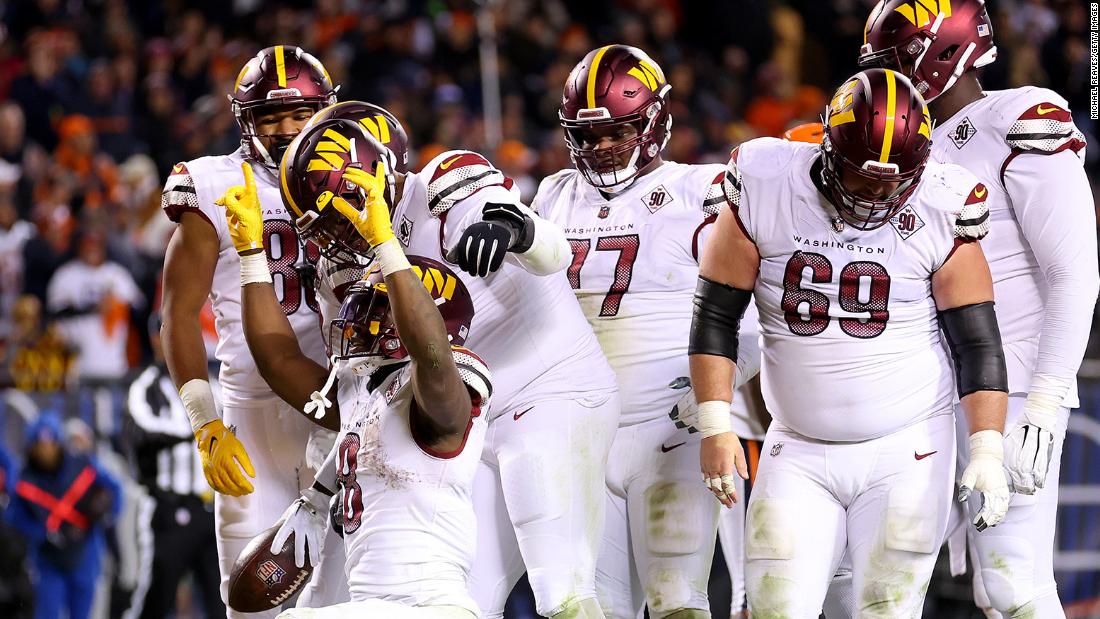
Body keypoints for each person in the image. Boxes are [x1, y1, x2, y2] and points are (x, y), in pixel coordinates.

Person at [688, 68, 1012, 617]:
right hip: (797, 445)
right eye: (864, 179)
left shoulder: (942, 201)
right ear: (828, 148)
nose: (878, 195)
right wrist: (715, 423)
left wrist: (986, 448)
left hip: (907, 448)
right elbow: (717, 314)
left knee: (884, 610)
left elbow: (977, 341)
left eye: (894, 181)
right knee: (774, 610)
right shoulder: (767, 181)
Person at [278, 112, 620, 619]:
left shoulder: (441, 185)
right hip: (460, 427)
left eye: (338, 211)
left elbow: (554, 253)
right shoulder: (344, 264)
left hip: (549, 390)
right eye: (321, 223)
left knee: (561, 588)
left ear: (373, 172)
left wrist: (512, 227)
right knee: (459, 602)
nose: (336, 232)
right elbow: (359, 385)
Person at [860, 3, 1099, 616]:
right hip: (921, 389)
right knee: (879, 574)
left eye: (894, 62)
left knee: (1013, 580)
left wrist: (1045, 401)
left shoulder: (1016, 117)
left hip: (1010, 383)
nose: (885, 78)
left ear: (942, 53)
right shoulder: (899, 140)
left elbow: (1074, 274)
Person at [533, 44, 760, 618]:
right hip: (583, 428)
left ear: (655, 120)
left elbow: (750, 317)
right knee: (597, 606)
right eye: (588, 136)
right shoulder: (554, 194)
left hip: (670, 424)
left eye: (618, 130)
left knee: (678, 599)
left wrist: (712, 402)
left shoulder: (702, 190)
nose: (601, 146)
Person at [220, 158, 491, 618]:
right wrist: (250, 257)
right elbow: (278, 359)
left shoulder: (444, 384)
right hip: (377, 606)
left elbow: (430, 354)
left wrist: (387, 246)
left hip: (428, 607)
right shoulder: (361, 394)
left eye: (372, 309)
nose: (353, 321)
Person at [158, 45, 338, 619]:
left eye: (299, 115)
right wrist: (204, 420)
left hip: (340, 405)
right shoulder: (213, 183)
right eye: (271, 116)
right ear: (246, 121)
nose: (287, 130)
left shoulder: (359, 169)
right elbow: (178, 314)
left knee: (347, 595)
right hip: (252, 410)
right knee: (251, 601)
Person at [123, 315, 223, 619]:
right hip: (168, 510)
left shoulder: (212, 384)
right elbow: (142, 428)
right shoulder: (146, 386)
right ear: (156, 340)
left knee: (224, 604)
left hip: (213, 511)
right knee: (155, 599)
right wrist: (198, 431)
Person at [7, 411, 121, 619]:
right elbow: (15, 519)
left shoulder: (83, 464)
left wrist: (103, 511)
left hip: (85, 551)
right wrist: (45, 534)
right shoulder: (25, 480)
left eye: (50, 444)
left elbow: (114, 490)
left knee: (83, 613)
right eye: (40, 446)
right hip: (49, 559)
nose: (46, 451)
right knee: (47, 612)